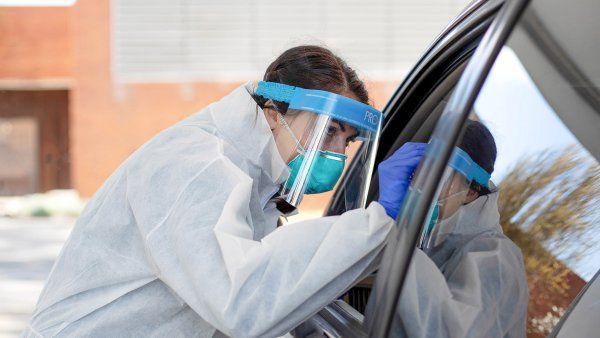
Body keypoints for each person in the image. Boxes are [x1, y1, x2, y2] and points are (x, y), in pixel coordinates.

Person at [23, 45, 424, 338]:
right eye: (329, 130)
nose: (337, 154)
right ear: (272, 114)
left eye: (348, 141)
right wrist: (379, 221)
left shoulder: (251, 180)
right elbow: (241, 301)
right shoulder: (199, 167)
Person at [392, 120, 529, 337]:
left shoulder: (497, 258)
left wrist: (396, 239)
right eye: (421, 169)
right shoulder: (431, 235)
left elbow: (444, 331)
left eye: (441, 175)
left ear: (471, 192)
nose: (422, 184)